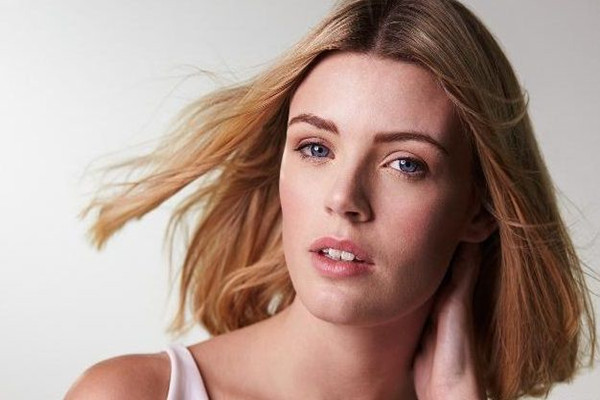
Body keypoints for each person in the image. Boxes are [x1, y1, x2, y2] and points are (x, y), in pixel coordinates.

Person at [65, 0, 597, 399]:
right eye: (316, 148)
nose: (344, 198)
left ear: (478, 209)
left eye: (405, 164)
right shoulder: (132, 395)